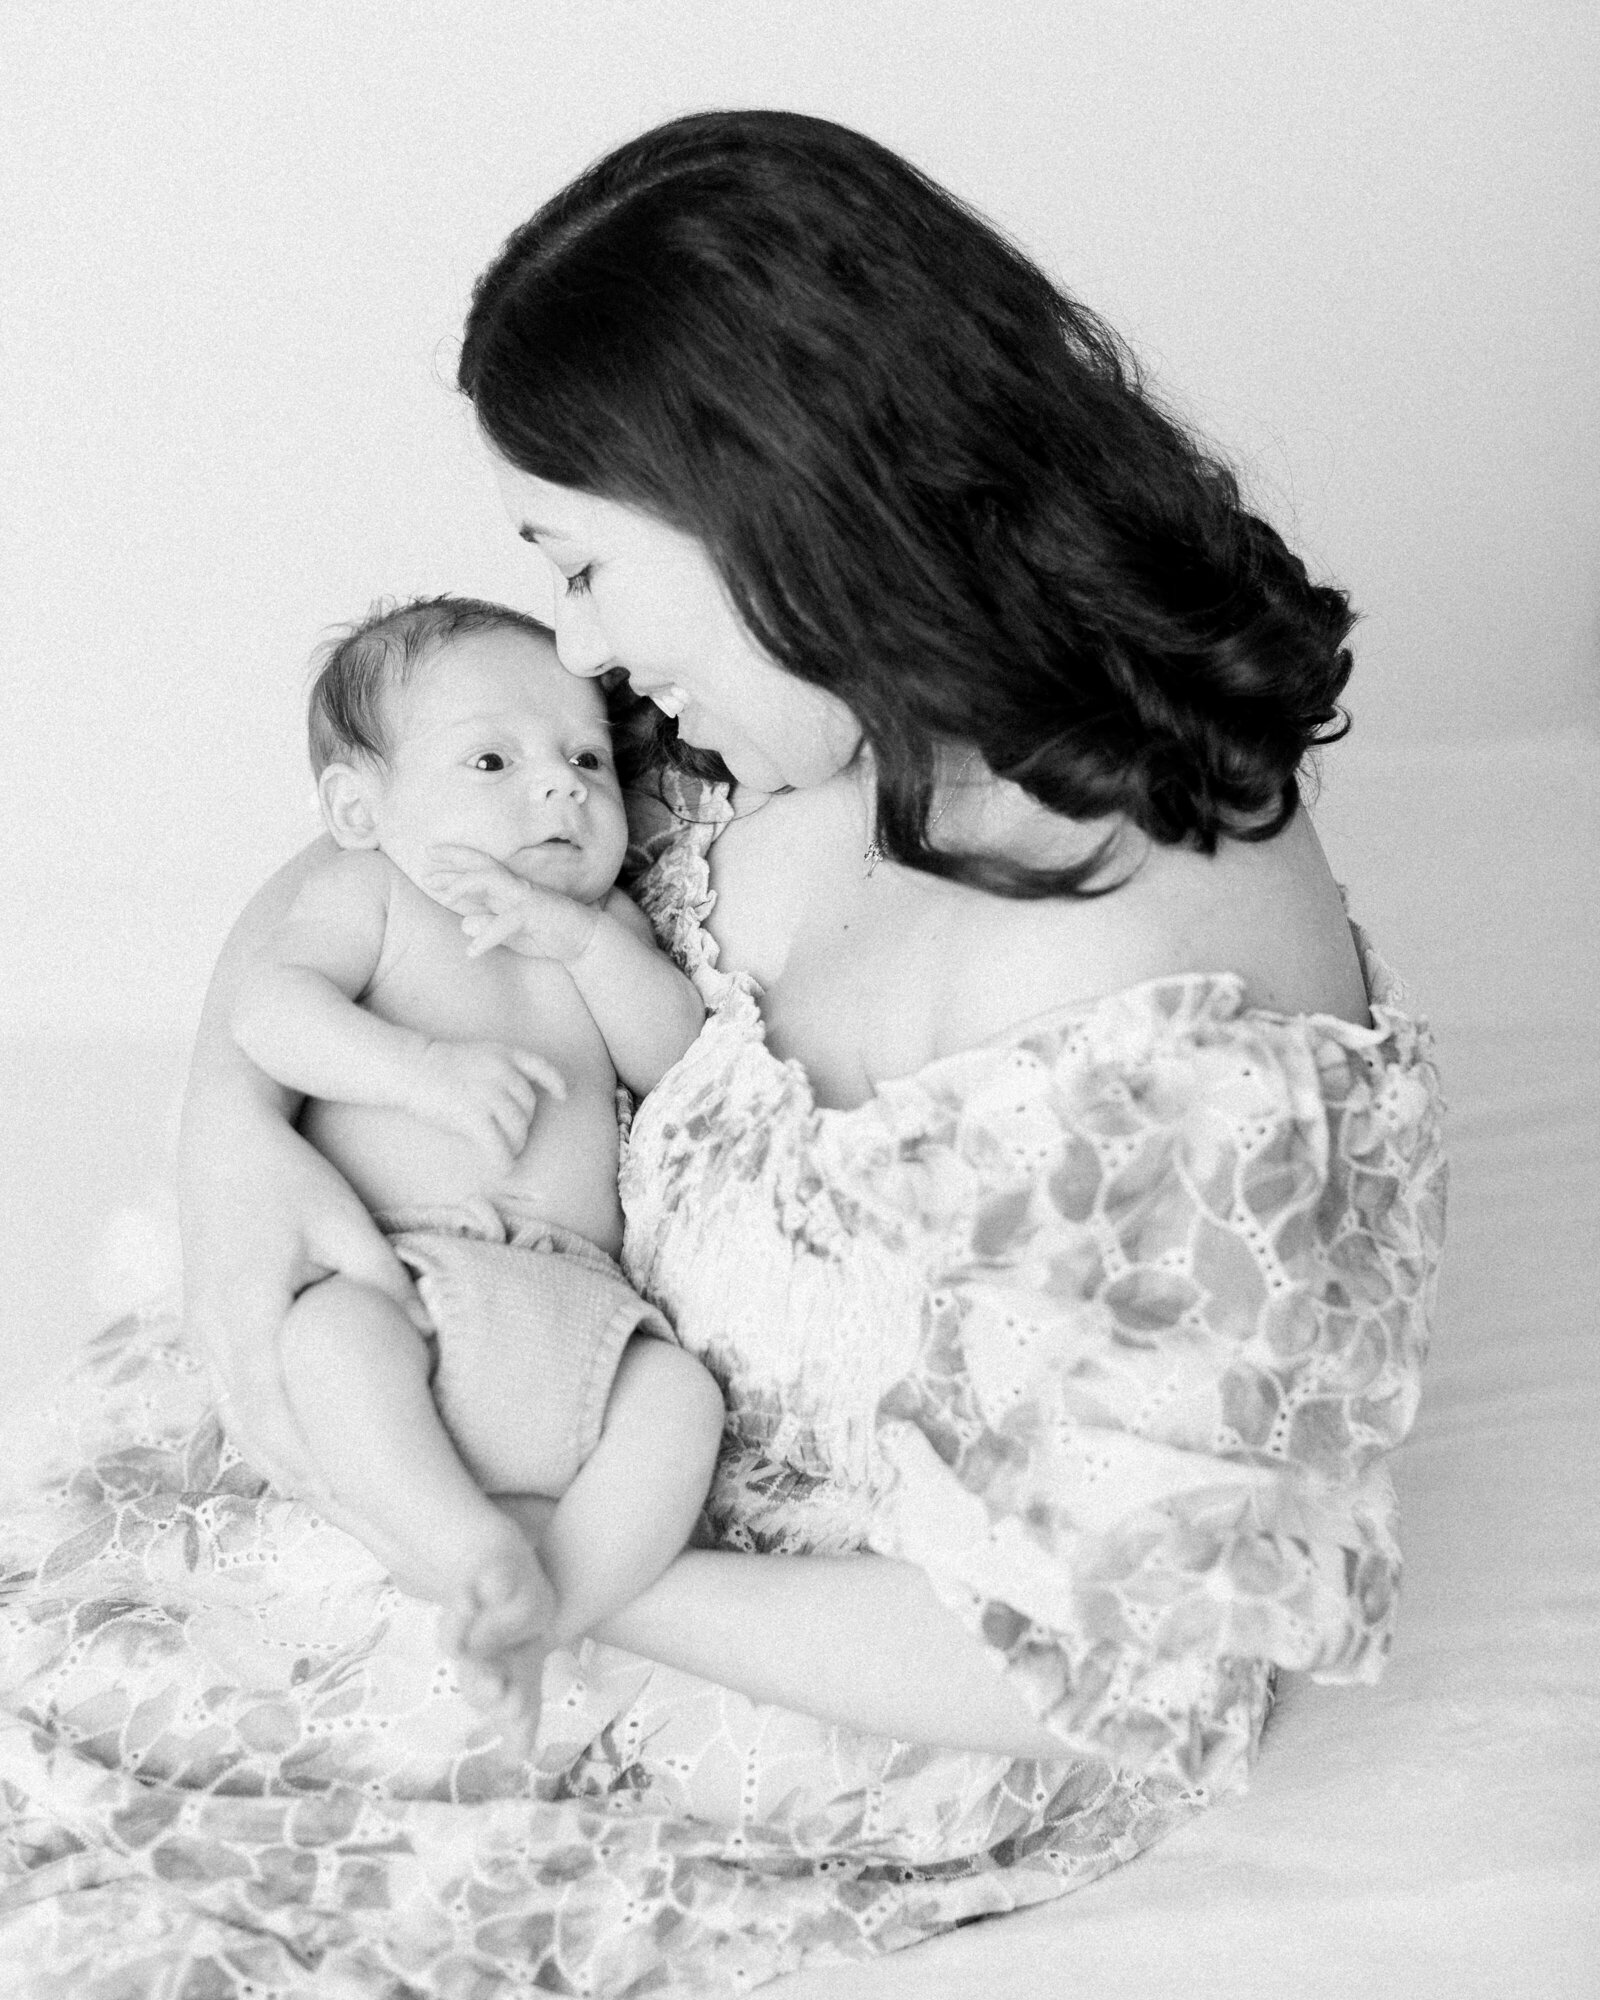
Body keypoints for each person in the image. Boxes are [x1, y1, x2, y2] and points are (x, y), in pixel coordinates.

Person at [1, 111, 1444, 1996]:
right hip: (534, 1383)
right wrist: (225, 1121)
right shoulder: (824, 707)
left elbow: (1093, 1654)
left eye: (584, 567)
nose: (576, 643)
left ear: (777, 500)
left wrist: (557, 1564)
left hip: (777, 1629)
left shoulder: (1144, 1018)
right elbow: (414, 808)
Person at [223, 595, 718, 1740]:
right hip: (407, 1274)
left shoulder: (603, 927)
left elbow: (679, 1059)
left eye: (585, 756)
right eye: (492, 758)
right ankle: (466, 1547)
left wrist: (591, 947)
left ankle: (549, 1611)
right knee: (327, 1344)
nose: (561, 785)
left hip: (580, 1309)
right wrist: (415, 1071)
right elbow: (269, 1011)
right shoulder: (371, 892)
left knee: (680, 1405)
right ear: (361, 805)